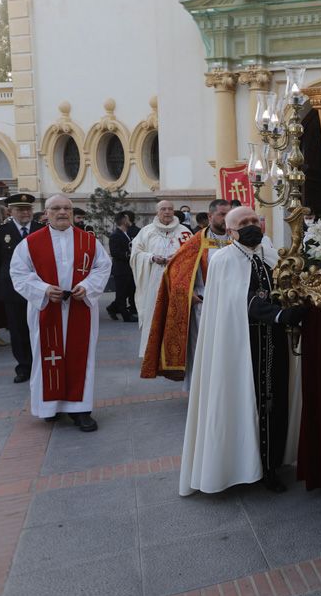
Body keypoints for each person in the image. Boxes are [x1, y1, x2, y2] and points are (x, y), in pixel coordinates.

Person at [178, 206, 306, 496]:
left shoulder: (271, 256)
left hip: (274, 343)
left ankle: (271, 465)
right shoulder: (223, 259)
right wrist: (277, 314)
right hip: (241, 347)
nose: (251, 226)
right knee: (248, 404)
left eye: (253, 221)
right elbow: (237, 299)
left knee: (275, 402)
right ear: (231, 231)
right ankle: (244, 466)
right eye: (243, 223)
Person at [9, 195, 112, 431]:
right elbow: (19, 274)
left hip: (80, 307)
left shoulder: (89, 241)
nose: (62, 212)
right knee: (49, 357)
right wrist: (44, 290)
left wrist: (87, 286)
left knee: (80, 357)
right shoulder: (30, 243)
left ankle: (80, 410)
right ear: (46, 213)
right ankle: (50, 407)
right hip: (46, 309)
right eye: (56, 208)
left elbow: (103, 267)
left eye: (67, 208)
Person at [141, 199, 231, 388]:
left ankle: (224, 389)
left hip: (231, 306)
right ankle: (201, 390)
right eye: (222, 214)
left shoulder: (236, 239)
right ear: (210, 216)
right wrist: (187, 294)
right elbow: (175, 270)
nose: (226, 219)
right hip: (203, 305)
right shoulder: (197, 241)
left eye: (228, 214)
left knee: (227, 350)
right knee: (203, 351)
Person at [0, 194, 45, 381]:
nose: (25, 212)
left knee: (40, 328)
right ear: (10, 211)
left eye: (28, 208)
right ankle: (24, 367)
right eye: (20, 209)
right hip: (13, 290)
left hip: (40, 287)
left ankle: (42, 364)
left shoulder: (42, 230)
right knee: (18, 329)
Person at [131, 200, 191, 358]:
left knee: (176, 315)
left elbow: (192, 256)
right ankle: (151, 352)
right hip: (153, 281)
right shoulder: (146, 231)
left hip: (177, 280)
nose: (167, 212)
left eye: (170, 209)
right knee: (154, 314)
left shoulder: (184, 232)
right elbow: (136, 255)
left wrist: (177, 257)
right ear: (157, 212)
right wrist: (151, 257)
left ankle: (176, 353)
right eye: (163, 209)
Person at [106, 212, 138, 323]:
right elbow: (115, 253)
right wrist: (129, 255)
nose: (130, 221)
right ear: (124, 220)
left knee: (128, 291)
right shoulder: (116, 235)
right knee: (121, 293)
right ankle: (125, 316)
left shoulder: (126, 233)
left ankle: (112, 308)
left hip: (128, 268)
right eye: (128, 219)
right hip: (121, 269)